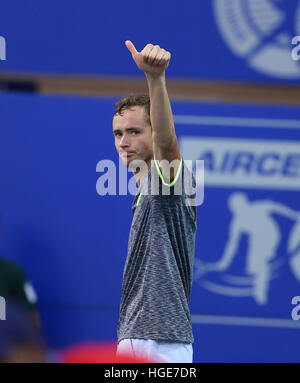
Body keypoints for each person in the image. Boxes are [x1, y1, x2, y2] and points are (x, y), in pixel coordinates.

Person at [113, 41, 197, 363]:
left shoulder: (168, 182)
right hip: (130, 337)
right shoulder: (141, 196)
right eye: (118, 133)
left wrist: (155, 78)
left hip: (163, 342)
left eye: (134, 131)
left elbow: (166, 142)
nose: (123, 141)